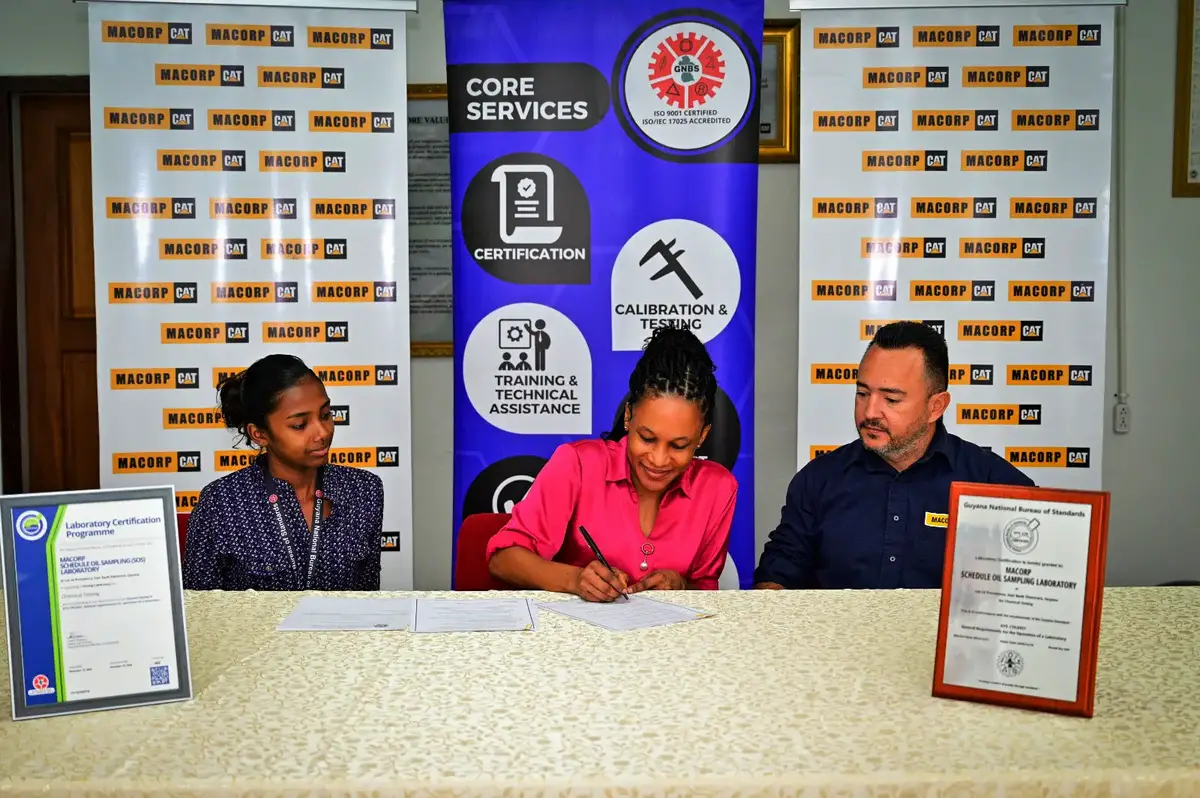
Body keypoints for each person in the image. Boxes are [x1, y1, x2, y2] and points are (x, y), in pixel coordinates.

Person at [754, 321, 1034, 591]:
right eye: (862, 393)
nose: (870, 412)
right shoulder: (818, 479)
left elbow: (1027, 594)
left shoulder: (997, 488)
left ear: (936, 406)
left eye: (891, 399)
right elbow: (779, 571)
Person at [487, 325, 737, 601]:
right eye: (647, 438)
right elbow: (503, 560)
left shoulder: (718, 488)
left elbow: (706, 592)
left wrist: (680, 586)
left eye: (679, 445)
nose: (658, 459)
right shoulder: (578, 464)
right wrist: (575, 579)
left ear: (702, 436)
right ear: (629, 416)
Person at [182, 354, 384, 591]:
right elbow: (197, 609)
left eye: (325, 415)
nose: (322, 432)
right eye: (299, 425)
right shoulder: (221, 502)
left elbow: (368, 598)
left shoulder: (363, 490)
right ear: (259, 434)